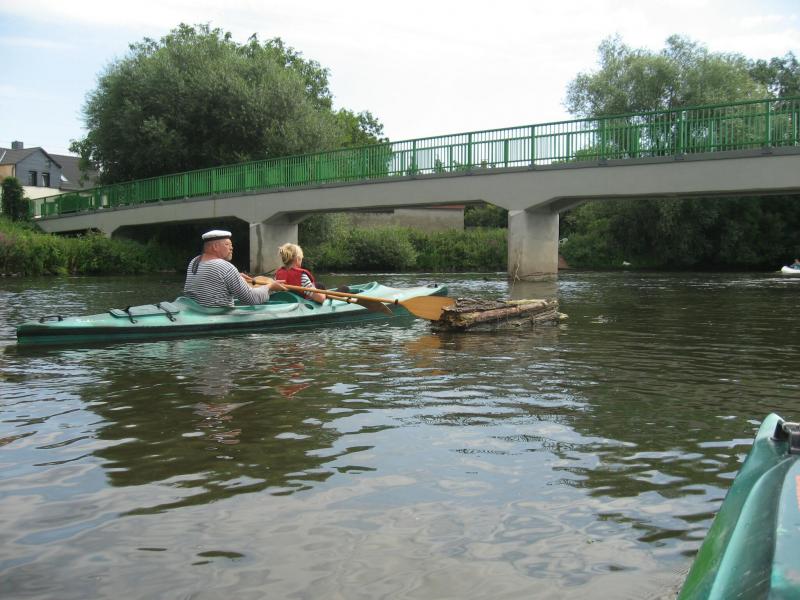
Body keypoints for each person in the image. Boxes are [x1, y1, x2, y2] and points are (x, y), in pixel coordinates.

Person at [184, 230, 285, 307]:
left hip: (197, 310)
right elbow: (251, 299)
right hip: (216, 314)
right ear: (215, 247)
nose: (231, 248)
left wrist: (236, 276)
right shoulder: (225, 267)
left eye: (231, 245)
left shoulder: (194, 261)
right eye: (227, 244)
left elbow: (211, 279)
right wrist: (270, 286)